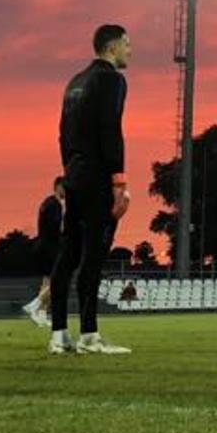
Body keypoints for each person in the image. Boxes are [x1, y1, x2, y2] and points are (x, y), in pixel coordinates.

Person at [49, 24, 133, 355]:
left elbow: (62, 133)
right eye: (127, 44)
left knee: (68, 254)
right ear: (111, 48)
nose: (130, 50)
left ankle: (58, 334)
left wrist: (69, 171)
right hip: (97, 177)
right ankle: (89, 335)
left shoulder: (74, 82)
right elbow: (110, 128)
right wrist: (119, 181)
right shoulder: (111, 79)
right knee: (94, 255)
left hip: (73, 174)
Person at [21, 177, 65, 328]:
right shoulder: (54, 204)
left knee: (47, 281)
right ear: (58, 187)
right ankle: (35, 305)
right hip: (50, 247)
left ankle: (41, 314)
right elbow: (57, 226)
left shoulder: (48, 203)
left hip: (44, 246)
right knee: (59, 280)